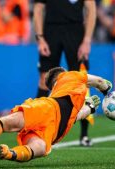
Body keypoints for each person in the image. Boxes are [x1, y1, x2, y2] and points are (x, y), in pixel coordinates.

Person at [0, 67, 112, 162]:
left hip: (50, 114)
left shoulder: (66, 99)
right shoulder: (71, 75)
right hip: (53, 128)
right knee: (39, 148)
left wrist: (88, 108)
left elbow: (76, 116)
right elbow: (99, 81)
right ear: (61, 75)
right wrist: (107, 90)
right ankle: (10, 153)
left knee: (8, 123)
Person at [33, 0, 96, 146]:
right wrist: (40, 38)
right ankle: (35, 128)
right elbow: (38, 9)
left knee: (81, 79)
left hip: (75, 31)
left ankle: (84, 134)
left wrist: (86, 40)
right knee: (44, 79)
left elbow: (91, 8)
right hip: (50, 31)